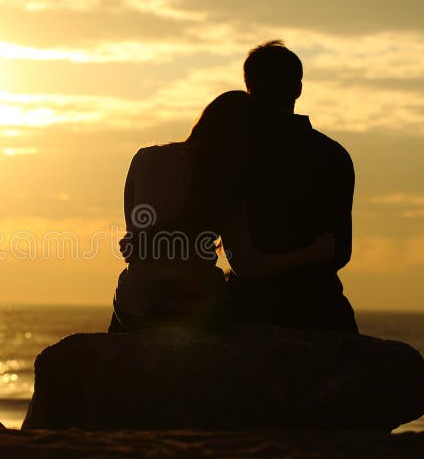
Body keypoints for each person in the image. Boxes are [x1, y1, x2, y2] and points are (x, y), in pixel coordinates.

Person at [108, 91, 336, 332]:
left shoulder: (145, 158)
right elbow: (246, 265)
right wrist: (312, 253)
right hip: (194, 310)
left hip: (134, 308)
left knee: (133, 285)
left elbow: (134, 247)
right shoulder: (229, 180)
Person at [225, 40, 357, 333]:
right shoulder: (334, 155)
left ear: (249, 89)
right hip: (317, 306)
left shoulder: (232, 155)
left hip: (249, 307)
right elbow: (340, 252)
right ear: (297, 89)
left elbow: (236, 257)